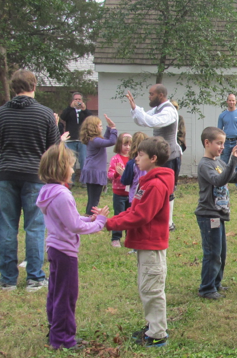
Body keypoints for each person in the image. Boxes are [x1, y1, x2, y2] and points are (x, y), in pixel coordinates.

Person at [0, 69, 60, 291]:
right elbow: (54, 149)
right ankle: (35, 278)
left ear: (14, 88)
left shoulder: (0, 114)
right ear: (34, 85)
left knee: (7, 226)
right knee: (35, 226)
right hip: (34, 175)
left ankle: (8, 279)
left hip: (6, 173)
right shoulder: (45, 113)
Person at [101, 137, 175, 348]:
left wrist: (109, 224)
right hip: (144, 244)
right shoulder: (148, 183)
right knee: (146, 286)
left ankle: (158, 333)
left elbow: (140, 216)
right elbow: (133, 210)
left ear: (153, 158)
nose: (135, 158)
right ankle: (152, 326)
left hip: (151, 245)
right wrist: (111, 220)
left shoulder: (156, 185)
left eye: (140, 155)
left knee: (152, 289)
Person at [36, 143, 108, 350]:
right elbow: (74, 226)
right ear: (60, 168)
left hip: (54, 249)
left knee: (55, 293)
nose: (73, 170)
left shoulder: (47, 192)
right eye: (70, 165)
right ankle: (64, 340)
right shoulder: (63, 194)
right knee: (66, 296)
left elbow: (72, 219)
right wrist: (100, 222)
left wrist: (89, 218)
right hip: (65, 252)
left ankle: (55, 331)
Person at [195, 127, 237, 299]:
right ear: (207, 143)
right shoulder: (205, 165)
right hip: (208, 215)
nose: (222, 147)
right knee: (212, 252)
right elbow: (219, 180)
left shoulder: (219, 162)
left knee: (220, 252)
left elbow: (234, 177)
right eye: (219, 143)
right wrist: (233, 161)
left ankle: (216, 283)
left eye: (223, 143)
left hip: (218, 213)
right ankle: (206, 288)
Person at [127, 85, 180, 231]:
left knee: (168, 189)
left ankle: (169, 223)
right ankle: (159, 217)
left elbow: (152, 121)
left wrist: (137, 109)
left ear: (161, 95)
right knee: (158, 186)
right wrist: (135, 108)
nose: (149, 97)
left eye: (151, 94)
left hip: (170, 155)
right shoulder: (158, 109)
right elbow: (142, 120)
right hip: (161, 154)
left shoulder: (169, 110)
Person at [79, 115, 118, 216]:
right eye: (100, 125)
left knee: (91, 197)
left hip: (91, 170)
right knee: (94, 199)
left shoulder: (94, 140)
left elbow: (105, 140)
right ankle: (90, 218)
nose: (101, 127)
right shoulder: (95, 140)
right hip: (95, 172)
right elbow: (111, 141)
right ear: (94, 128)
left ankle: (88, 216)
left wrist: (109, 128)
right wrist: (113, 129)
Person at [60, 93, 92, 183]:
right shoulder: (69, 111)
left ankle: (84, 181)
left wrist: (84, 109)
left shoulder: (84, 112)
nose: (78, 101)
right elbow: (63, 117)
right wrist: (70, 107)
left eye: (79, 99)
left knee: (83, 160)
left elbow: (91, 118)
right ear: (72, 101)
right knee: (71, 161)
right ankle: (70, 180)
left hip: (82, 140)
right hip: (71, 139)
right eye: (76, 99)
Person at [217, 94, 237, 193]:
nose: (231, 102)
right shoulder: (222, 115)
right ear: (227, 101)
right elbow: (219, 131)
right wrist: (219, 145)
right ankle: (223, 185)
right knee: (223, 164)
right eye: (229, 100)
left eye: (233, 100)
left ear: (236, 101)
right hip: (226, 143)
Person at [107, 133, 132, 247]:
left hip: (131, 193)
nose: (127, 147)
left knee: (130, 215)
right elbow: (110, 175)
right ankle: (116, 238)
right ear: (119, 145)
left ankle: (130, 236)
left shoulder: (133, 159)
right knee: (119, 214)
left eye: (130, 145)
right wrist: (117, 173)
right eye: (125, 144)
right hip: (119, 193)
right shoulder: (115, 159)